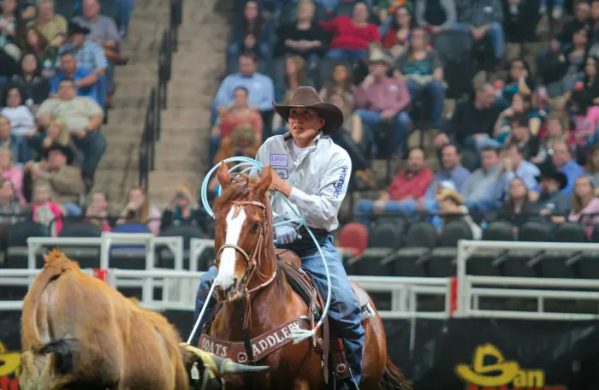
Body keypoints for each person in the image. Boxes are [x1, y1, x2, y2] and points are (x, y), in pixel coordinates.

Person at [195, 86, 364, 389]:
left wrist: (285, 188)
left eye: (305, 114)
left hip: (314, 244)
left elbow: (326, 213)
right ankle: (199, 363)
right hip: (267, 243)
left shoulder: (337, 158)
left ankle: (348, 379)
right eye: (292, 115)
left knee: (347, 307)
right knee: (209, 283)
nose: (296, 120)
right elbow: (259, 199)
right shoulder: (270, 148)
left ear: (321, 121)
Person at [36, 79, 106, 186]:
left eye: (68, 87)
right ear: (58, 90)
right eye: (62, 88)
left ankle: (87, 173)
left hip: (83, 133)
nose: (65, 90)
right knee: (78, 155)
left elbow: (98, 117)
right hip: (60, 134)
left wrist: (86, 129)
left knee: (99, 142)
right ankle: (81, 179)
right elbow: (43, 119)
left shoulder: (85, 100)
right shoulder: (50, 102)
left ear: (75, 90)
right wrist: (60, 129)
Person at [353, 49, 411, 158]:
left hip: (394, 114)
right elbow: (358, 105)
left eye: (377, 64)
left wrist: (393, 110)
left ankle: (396, 152)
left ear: (385, 67)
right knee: (359, 114)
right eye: (371, 64)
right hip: (375, 115)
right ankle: (369, 149)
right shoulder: (365, 85)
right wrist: (364, 87)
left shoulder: (396, 82)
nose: (373, 67)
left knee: (404, 118)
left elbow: (405, 99)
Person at [354, 146, 433, 222]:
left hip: (407, 207)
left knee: (408, 205)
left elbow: (415, 194)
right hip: (390, 205)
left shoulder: (426, 174)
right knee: (361, 204)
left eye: (417, 159)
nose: (414, 162)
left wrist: (387, 205)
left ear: (424, 162)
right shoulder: (402, 174)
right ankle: (365, 232)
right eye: (411, 159)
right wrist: (381, 201)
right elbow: (389, 191)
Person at [212, 52, 275, 137]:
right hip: (233, 114)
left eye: (247, 65)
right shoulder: (230, 80)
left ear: (255, 65)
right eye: (242, 65)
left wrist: (257, 107)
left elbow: (270, 103)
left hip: (255, 115)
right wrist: (233, 105)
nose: (244, 67)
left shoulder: (265, 81)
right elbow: (219, 100)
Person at [396, 27, 445, 127]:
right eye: (413, 37)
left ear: (424, 40)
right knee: (407, 85)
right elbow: (396, 72)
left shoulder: (432, 54)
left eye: (418, 37)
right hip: (410, 81)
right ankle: (405, 120)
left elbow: (438, 72)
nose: (415, 39)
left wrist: (434, 77)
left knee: (437, 86)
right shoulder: (404, 55)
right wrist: (403, 78)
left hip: (428, 81)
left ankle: (435, 124)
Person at [438, 82, 505, 148]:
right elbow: (452, 123)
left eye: (493, 97)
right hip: (465, 142)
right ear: (479, 94)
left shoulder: (495, 108)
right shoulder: (463, 107)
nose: (492, 100)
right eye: (489, 96)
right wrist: (443, 133)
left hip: (486, 143)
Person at [24, 143, 84, 216]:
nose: (51, 157)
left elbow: (73, 188)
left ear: (64, 157)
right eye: (49, 155)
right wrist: (28, 173)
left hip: (67, 206)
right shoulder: (44, 173)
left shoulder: (72, 171)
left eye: (55, 154)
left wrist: (47, 175)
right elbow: (31, 191)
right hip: (45, 207)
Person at [274, 0, 326, 69]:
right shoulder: (287, 27)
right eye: (299, 9)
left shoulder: (318, 29)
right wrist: (293, 44)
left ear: (312, 14)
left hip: (311, 57)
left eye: (304, 10)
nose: (300, 11)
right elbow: (279, 46)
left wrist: (310, 44)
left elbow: (323, 47)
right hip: (291, 56)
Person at [227, 0, 273, 73]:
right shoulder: (239, 22)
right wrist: (244, 41)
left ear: (257, 10)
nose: (250, 11)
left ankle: (263, 75)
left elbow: (268, 40)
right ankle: (232, 75)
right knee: (232, 49)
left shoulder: (265, 23)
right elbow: (235, 38)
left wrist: (255, 42)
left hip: (258, 46)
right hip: (242, 45)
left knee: (265, 49)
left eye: (253, 8)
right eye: (248, 8)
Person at [461, 146, 501, 212]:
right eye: (483, 158)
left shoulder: (501, 175)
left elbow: (495, 201)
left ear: (498, 158)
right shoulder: (476, 174)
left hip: (490, 213)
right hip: (468, 211)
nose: (485, 161)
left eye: (489, 157)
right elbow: (463, 193)